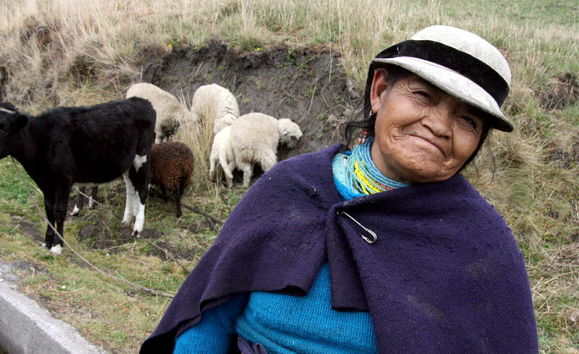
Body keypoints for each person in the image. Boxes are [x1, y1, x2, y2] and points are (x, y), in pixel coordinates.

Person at [140, 25, 538, 353]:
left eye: (467, 120)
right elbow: (211, 314)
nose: (439, 125)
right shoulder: (289, 186)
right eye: (423, 96)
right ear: (379, 90)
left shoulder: (480, 243)